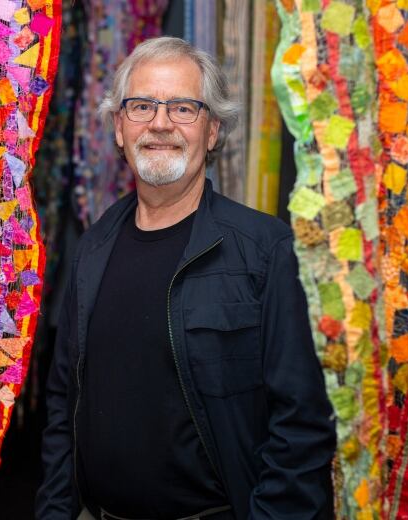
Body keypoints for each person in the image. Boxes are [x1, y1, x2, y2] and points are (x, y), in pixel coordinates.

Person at [35, 37, 336, 520]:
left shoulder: (265, 250)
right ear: (118, 127)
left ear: (213, 130)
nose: (159, 123)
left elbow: (302, 426)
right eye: (141, 106)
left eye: (182, 108)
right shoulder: (93, 249)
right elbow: (61, 404)